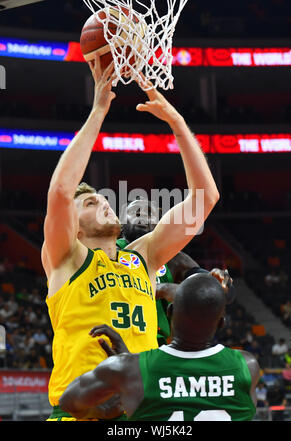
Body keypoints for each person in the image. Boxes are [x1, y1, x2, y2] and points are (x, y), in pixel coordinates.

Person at [42, 59, 220, 420]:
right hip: (81, 410)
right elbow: (61, 191)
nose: (105, 203)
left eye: (103, 198)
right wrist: (99, 110)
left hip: (140, 412)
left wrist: (177, 122)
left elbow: (205, 198)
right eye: (91, 203)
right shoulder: (66, 258)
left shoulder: (143, 255)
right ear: (73, 227)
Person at [59, 273, 260, 421]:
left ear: (170, 312)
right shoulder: (248, 367)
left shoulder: (128, 369)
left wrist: (105, 410)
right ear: (221, 323)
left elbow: (68, 401)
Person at [118, 198, 235, 345]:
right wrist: (160, 289)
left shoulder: (173, 258)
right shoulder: (108, 252)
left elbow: (225, 295)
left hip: (155, 346)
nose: (143, 217)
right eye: (136, 212)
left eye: (149, 213)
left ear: (159, 224)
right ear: (121, 223)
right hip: (115, 337)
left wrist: (219, 284)